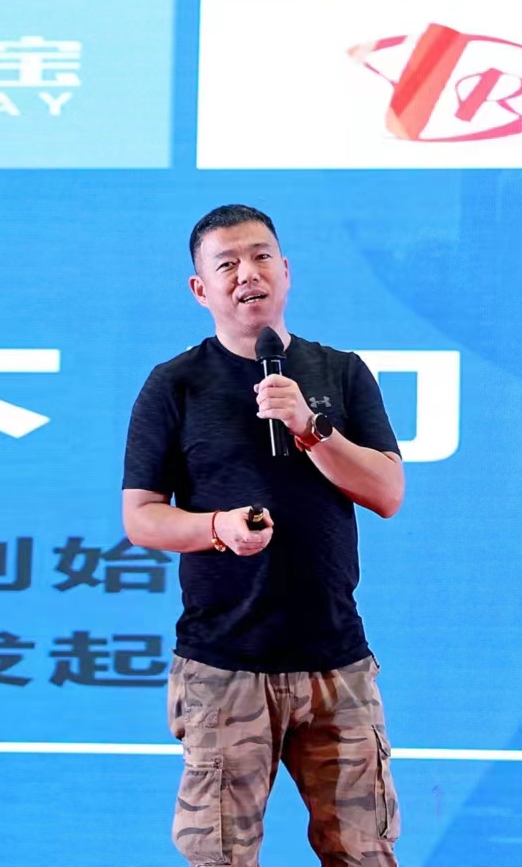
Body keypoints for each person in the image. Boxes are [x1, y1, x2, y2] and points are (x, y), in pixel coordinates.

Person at [122, 203, 406, 867]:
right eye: (227, 264)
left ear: (286, 270)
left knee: (364, 853)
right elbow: (141, 517)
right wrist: (216, 527)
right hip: (224, 666)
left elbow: (387, 493)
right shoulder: (174, 385)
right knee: (220, 856)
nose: (247, 273)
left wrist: (310, 427)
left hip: (337, 663)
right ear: (201, 288)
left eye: (260, 257)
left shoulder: (340, 373)